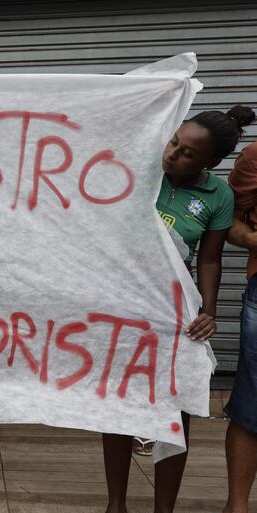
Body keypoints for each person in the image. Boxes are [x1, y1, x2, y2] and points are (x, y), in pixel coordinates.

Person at [102, 105, 255, 513]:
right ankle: (115, 504)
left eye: (188, 153)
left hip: (175, 312)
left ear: (211, 162)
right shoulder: (140, 172)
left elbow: (209, 259)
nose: (172, 154)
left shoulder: (218, 194)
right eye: (173, 143)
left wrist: (206, 309)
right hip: (119, 305)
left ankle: (163, 509)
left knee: (174, 412)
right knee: (116, 406)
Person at [223, 139, 257, 513]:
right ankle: (237, 506)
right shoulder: (255, 156)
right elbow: (227, 220)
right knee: (252, 403)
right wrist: (250, 238)